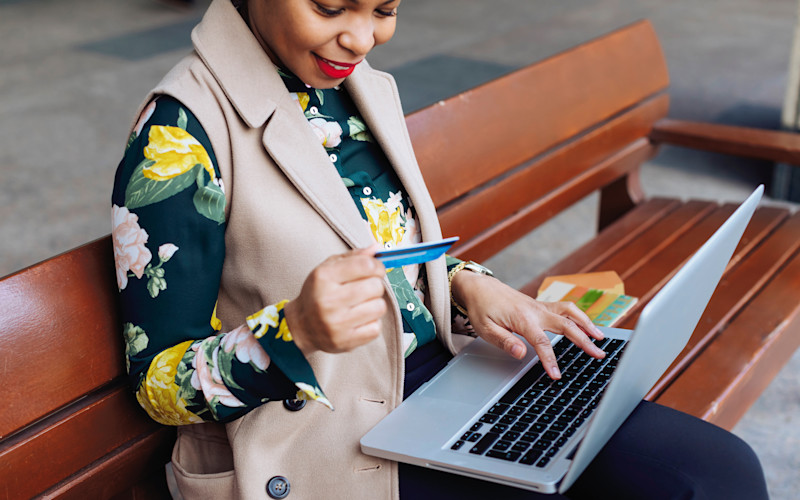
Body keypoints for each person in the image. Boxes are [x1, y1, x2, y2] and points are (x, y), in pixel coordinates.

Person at [111, 0, 769, 498]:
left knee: (715, 473)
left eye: (385, 9)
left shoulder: (356, 86)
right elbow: (158, 386)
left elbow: (381, 248)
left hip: (439, 392)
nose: (360, 38)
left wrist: (468, 286)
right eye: (330, 7)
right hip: (326, 447)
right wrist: (293, 333)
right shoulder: (178, 137)